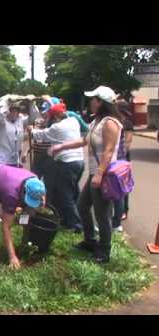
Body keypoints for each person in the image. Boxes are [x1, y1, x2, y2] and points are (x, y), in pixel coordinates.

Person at [50, 86, 123, 263]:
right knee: (82, 207)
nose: (91, 102)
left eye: (93, 99)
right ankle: (90, 240)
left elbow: (108, 150)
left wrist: (98, 174)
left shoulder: (110, 123)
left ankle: (104, 251)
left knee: (102, 214)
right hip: (94, 173)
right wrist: (61, 146)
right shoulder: (96, 122)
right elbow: (84, 141)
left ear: (101, 102)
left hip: (103, 174)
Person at [29, 101, 84, 233]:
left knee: (65, 195)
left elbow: (40, 135)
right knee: (73, 192)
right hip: (80, 162)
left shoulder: (57, 128)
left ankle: (75, 225)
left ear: (55, 117)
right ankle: (69, 219)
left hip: (67, 163)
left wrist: (32, 130)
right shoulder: (73, 121)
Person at [0, 96, 41, 223]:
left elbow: (34, 117)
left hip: (14, 159)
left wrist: (31, 103)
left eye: (17, 110)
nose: (15, 113)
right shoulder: (1, 121)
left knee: (13, 186)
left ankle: (9, 210)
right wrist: (7, 102)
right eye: (12, 110)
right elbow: (1, 115)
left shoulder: (20, 120)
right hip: (1, 159)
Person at [112, 99, 134, 230]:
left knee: (123, 187)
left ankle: (124, 211)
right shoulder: (115, 121)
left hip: (122, 160)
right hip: (117, 158)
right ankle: (117, 212)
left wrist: (120, 158)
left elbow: (127, 143)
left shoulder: (127, 123)